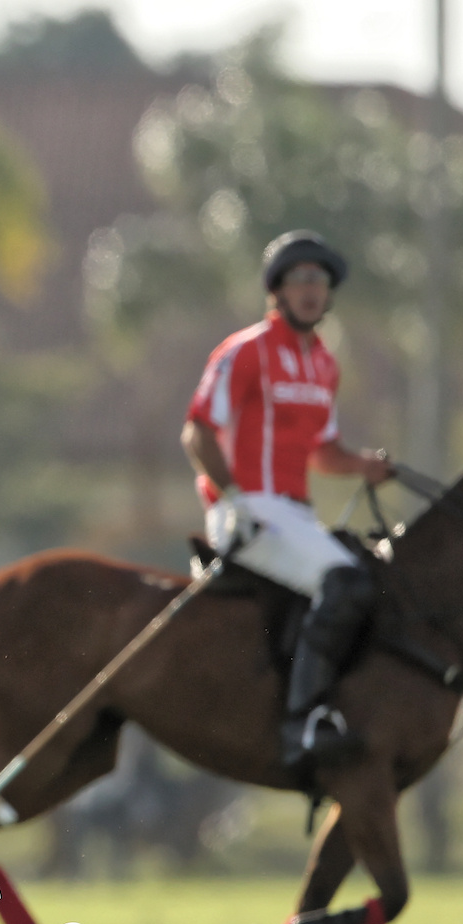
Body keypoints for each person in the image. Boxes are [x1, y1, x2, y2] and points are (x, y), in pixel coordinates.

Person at [180, 230, 394, 770]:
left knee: (371, 573)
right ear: (276, 291)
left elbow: (324, 452)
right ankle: (303, 723)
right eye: (299, 279)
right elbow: (197, 433)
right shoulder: (246, 350)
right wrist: (235, 502)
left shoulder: (324, 364)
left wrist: (364, 465)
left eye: (319, 281)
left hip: (295, 516)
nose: (311, 290)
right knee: (345, 582)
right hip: (245, 509)